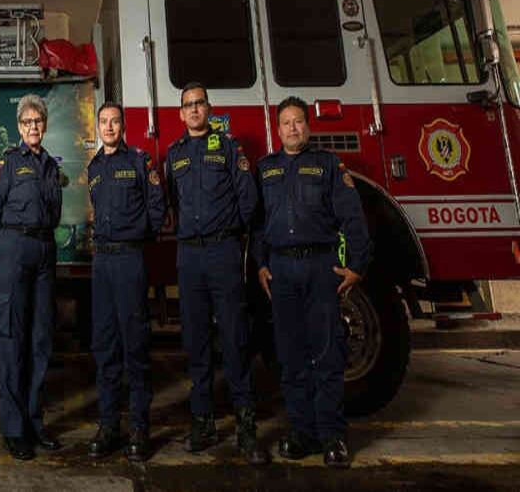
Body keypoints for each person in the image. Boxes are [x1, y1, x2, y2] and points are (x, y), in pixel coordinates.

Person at [253, 96, 371, 469]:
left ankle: (332, 437)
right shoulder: (266, 169)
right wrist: (260, 265)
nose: (292, 128)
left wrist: (357, 265)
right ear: (278, 128)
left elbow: (352, 216)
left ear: (308, 126)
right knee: (291, 358)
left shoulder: (327, 166)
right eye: (286, 122)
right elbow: (257, 225)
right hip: (281, 271)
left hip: (321, 267)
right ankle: (302, 433)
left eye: (298, 122)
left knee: (327, 355)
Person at [164, 82, 269, 466]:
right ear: (180, 114)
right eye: (187, 105)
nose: (193, 110)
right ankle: (203, 423)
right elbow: (173, 200)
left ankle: (246, 430)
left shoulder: (228, 147)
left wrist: (228, 231)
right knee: (196, 343)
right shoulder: (173, 155)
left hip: (224, 252)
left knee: (235, 338)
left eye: (199, 104)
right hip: (188, 256)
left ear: (209, 109)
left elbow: (249, 200)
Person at [85, 102, 165, 462]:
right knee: (105, 346)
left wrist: (137, 236)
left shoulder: (139, 161)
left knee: (135, 345)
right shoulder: (95, 167)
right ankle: (109, 426)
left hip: (130, 258)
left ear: (123, 125)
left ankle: (139, 427)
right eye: (104, 122)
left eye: (115, 121)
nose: (109, 127)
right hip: (102, 261)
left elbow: (157, 207)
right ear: (98, 126)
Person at [0, 93, 63, 461]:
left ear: (44, 125)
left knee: (40, 339)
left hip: (45, 251)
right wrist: (4, 249)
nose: (34, 127)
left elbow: (55, 211)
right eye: (27, 122)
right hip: (14, 247)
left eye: (38, 121)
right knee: (13, 338)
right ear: (19, 127)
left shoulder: (50, 165)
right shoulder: (10, 161)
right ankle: (14, 430)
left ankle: (34, 422)